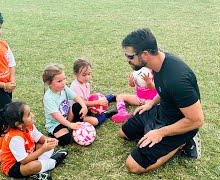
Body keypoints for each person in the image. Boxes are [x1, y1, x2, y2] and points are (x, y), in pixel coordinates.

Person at [119, 28, 204, 174]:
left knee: (133, 166)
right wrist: (151, 103)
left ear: (145, 54)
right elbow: (163, 89)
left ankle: (182, 143)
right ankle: (153, 130)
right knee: (124, 133)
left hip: (179, 125)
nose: (127, 60)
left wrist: (160, 133)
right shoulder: (156, 63)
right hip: (162, 112)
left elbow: (197, 120)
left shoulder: (178, 80)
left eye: (130, 56)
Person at [0, 101, 68, 179]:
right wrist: (43, 149)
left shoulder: (29, 125)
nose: (32, 115)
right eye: (29, 115)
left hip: (28, 153)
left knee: (46, 145)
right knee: (34, 165)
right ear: (19, 124)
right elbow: (23, 160)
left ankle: (41, 169)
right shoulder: (15, 138)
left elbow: (38, 137)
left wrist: (49, 140)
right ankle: (53, 162)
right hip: (14, 166)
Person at [42, 63, 88, 146]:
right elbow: (57, 116)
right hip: (56, 123)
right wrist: (70, 125)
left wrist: (84, 106)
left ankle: (75, 126)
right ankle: (54, 134)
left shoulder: (64, 88)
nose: (63, 83)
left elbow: (76, 97)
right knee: (65, 140)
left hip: (67, 117)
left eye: (64, 79)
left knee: (78, 106)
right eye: (59, 81)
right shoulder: (48, 98)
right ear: (49, 83)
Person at [70, 59, 117, 126]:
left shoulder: (86, 84)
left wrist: (97, 102)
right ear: (75, 74)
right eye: (84, 75)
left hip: (87, 107)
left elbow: (87, 97)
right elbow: (82, 102)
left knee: (100, 99)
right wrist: (97, 102)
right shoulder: (75, 86)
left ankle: (110, 97)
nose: (87, 77)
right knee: (94, 121)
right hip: (79, 113)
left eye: (89, 74)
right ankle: (106, 115)